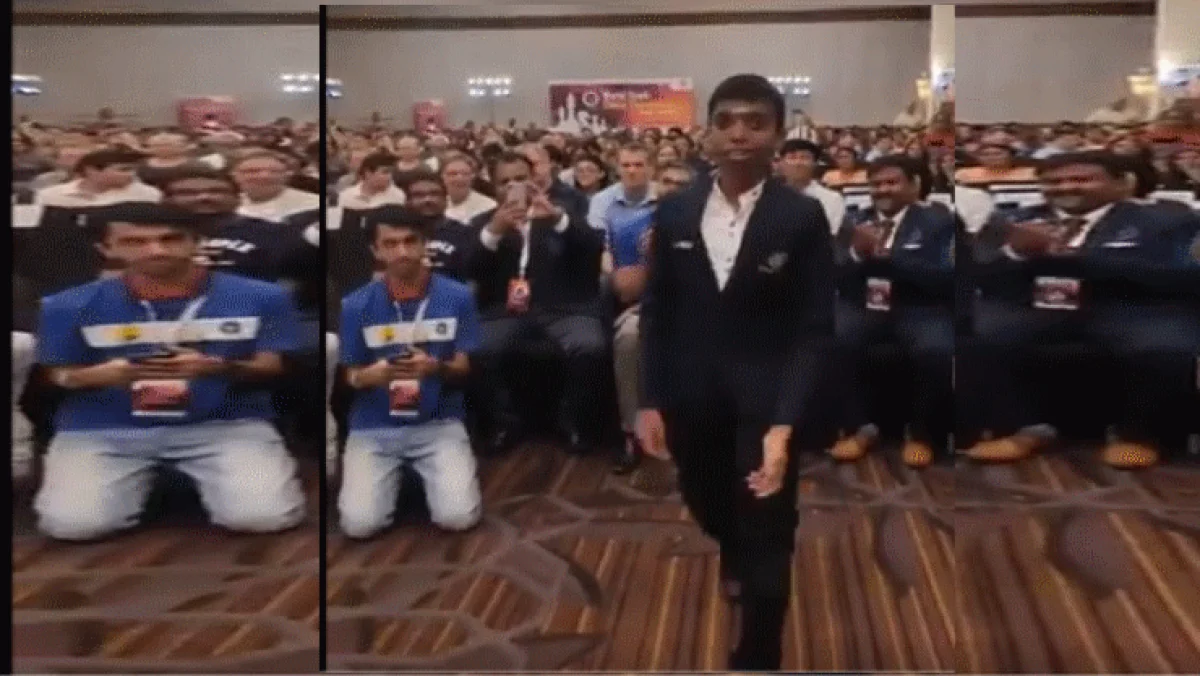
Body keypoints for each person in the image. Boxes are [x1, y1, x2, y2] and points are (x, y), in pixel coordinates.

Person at [637, 74, 834, 670]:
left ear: (778, 133)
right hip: (692, 396)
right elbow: (658, 313)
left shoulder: (801, 216)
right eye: (725, 121)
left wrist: (785, 425)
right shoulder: (676, 210)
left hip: (766, 402)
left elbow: (813, 329)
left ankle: (759, 653)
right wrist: (649, 400)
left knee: (768, 533)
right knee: (705, 501)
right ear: (708, 132)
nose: (739, 134)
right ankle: (733, 546)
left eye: (755, 122)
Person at [32, 202, 306, 540]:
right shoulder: (66, 305)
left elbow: (273, 365)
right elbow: (55, 373)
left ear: (197, 242)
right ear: (107, 248)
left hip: (223, 423)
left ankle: (172, 481)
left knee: (264, 517)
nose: (156, 250)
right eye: (135, 242)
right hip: (105, 428)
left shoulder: (262, 296)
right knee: (74, 527)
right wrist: (94, 376)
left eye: (171, 238)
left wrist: (219, 367)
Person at [337, 206, 483, 537]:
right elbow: (351, 374)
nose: (402, 251)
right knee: (360, 526)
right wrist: (369, 377)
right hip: (375, 426)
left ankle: (417, 476)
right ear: (376, 251)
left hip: (438, 422)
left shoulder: (457, 296)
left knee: (458, 518)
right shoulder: (355, 305)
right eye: (390, 244)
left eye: (410, 241)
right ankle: (403, 479)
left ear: (425, 244)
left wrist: (435, 367)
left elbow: (464, 366)